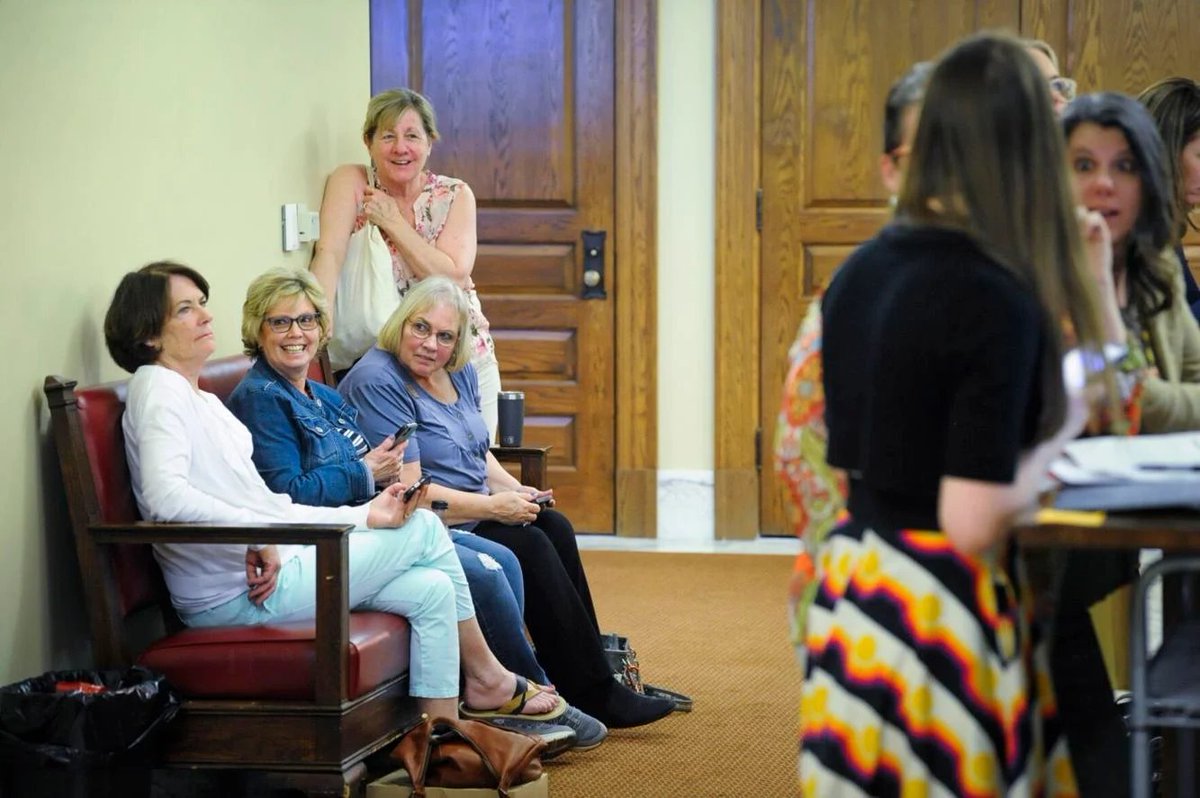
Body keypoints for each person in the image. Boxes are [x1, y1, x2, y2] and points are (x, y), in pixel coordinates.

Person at [800, 33, 1109, 794]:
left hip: (855, 584)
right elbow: (971, 517)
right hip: (940, 601)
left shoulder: (859, 272)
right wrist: (1062, 436)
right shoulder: (993, 292)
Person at [103, 260, 565, 726]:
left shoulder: (198, 398)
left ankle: (441, 737)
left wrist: (367, 517)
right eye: (186, 309)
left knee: (432, 589)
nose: (205, 316)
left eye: (202, 304)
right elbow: (165, 499)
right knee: (426, 526)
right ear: (148, 334)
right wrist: (258, 536)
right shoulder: (156, 390)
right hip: (235, 594)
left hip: (278, 566)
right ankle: (490, 680)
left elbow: (272, 505)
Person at [225, 266, 605, 748]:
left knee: (513, 551)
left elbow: (381, 470)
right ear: (257, 330)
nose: (296, 333)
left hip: (370, 521)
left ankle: (486, 707)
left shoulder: (319, 396)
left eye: (306, 321)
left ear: (322, 328)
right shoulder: (262, 399)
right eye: (280, 323)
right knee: (487, 569)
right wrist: (367, 473)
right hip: (325, 541)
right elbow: (288, 493)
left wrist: (379, 481)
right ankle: (511, 691)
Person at [336, 276, 678, 729]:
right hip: (436, 520)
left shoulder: (456, 370)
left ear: (457, 342)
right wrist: (494, 508)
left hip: (472, 507)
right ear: (401, 322)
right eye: (420, 328)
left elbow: (478, 453)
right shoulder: (378, 380)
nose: (429, 345)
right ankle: (587, 692)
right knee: (532, 545)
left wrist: (512, 488)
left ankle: (591, 676)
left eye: (444, 336)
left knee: (553, 526)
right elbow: (412, 494)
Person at [776, 60, 931, 667]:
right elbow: (801, 446)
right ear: (892, 167)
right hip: (879, 569)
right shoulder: (861, 284)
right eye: (930, 151)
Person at [309, 88, 503, 436]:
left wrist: (392, 222)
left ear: (430, 142)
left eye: (412, 136)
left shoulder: (454, 195)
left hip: (458, 352)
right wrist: (314, 322)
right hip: (387, 363)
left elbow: (452, 275)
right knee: (414, 464)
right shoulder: (351, 183)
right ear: (368, 142)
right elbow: (329, 254)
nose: (401, 148)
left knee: (478, 454)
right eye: (388, 136)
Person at [1138, 76, 1200, 320]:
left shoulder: (1167, 219)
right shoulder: (1134, 229)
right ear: (1164, 151)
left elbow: (1189, 302)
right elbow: (1170, 328)